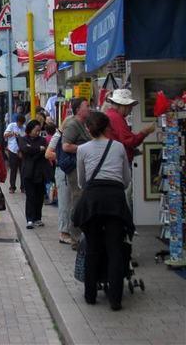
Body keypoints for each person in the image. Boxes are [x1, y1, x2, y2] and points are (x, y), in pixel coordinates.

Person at [72, 111, 134, 311]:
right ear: (107, 127)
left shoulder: (82, 149)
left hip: (93, 202)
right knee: (115, 249)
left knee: (93, 248)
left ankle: (90, 295)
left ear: (88, 129)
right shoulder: (118, 147)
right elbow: (126, 179)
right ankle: (116, 299)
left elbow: (82, 181)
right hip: (115, 201)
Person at [105, 89, 155, 208]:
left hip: (115, 161)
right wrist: (144, 132)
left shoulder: (111, 115)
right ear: (123, 106)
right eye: (129, 106)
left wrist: (135, 151)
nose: (130, 109)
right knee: (124, 197)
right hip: (119, 163)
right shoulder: (116, 118)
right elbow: (129, 141)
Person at [61, 98, 92, 245]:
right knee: (78, 199)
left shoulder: (84, 124)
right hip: (75, 169)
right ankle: (75, 235)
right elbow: (66, 146)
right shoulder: (73, 125)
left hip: (84, 168)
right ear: (78, 109)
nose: (90, 108)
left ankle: (81, 233)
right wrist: (85, 149)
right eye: (87, 106)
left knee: (82, 199)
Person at [18, 120, 52, 229]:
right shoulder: (23, 139)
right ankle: (30, 219)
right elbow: (25, 149)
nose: (37, 133)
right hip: (28, 172)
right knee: (30, 196)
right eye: (35, 130)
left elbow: (44, 151)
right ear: (29, 129)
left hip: (40, 172)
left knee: (39, 196)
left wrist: (33, 150)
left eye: (39, 130)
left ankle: (38, 218)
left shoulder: (42, 140)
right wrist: (38, 149)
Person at [4, 114, 26, 193]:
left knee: (22, 169)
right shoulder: (11, 125)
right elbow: (5, 135)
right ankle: (12, 187)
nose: (21, 125)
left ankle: (23, 187)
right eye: (20, 123)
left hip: (21, 151)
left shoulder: (24, 128)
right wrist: (12, 133)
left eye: (22, 123)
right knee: (13, 169)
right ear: (17, 122)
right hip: (12, 150)